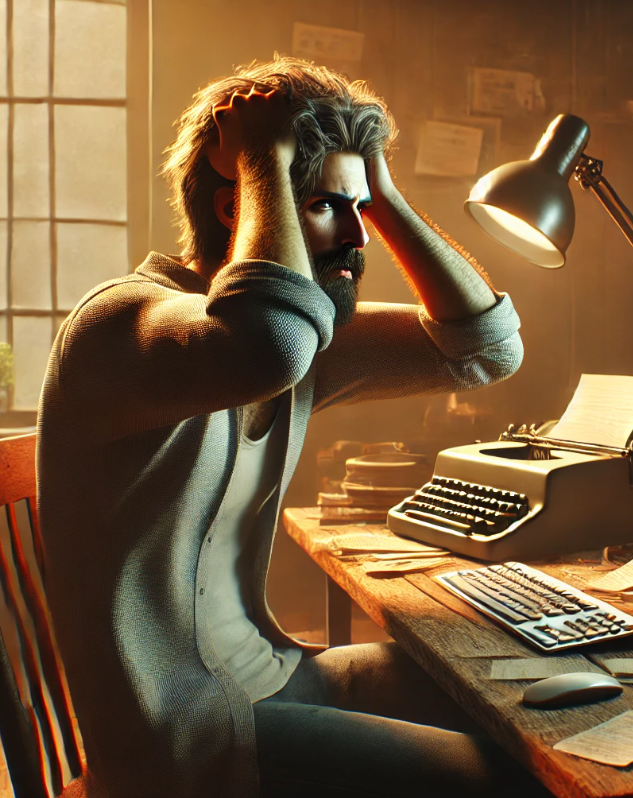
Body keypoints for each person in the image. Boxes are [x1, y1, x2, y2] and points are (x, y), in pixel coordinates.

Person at [37, 57, 539, 798]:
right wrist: (262, 157)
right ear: (239, 204)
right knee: (502, 781)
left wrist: (383, 195)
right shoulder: (121, 324)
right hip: (184, 741)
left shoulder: (302, 335)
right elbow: (263, 345)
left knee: (511, 698)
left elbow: (487, 350)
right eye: (326, 206)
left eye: (357, 209)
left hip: (278, 680)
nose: (356, 238)